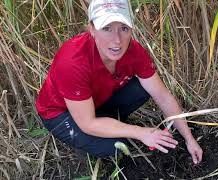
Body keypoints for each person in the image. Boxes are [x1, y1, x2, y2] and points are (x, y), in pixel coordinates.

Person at [36, 0, 202, 165]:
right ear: (92, 29)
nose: (117, 40)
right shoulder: (73, 62)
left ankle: (108, 123)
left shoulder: (134, 52)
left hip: (95, 101)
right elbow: (87, 123)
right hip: (61, 114)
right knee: (116, 147)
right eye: (107, 29)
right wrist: (142, 133)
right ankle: (87, 142)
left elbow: (163, 96)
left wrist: (189, 138)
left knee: (141, 88)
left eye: (124, 28)